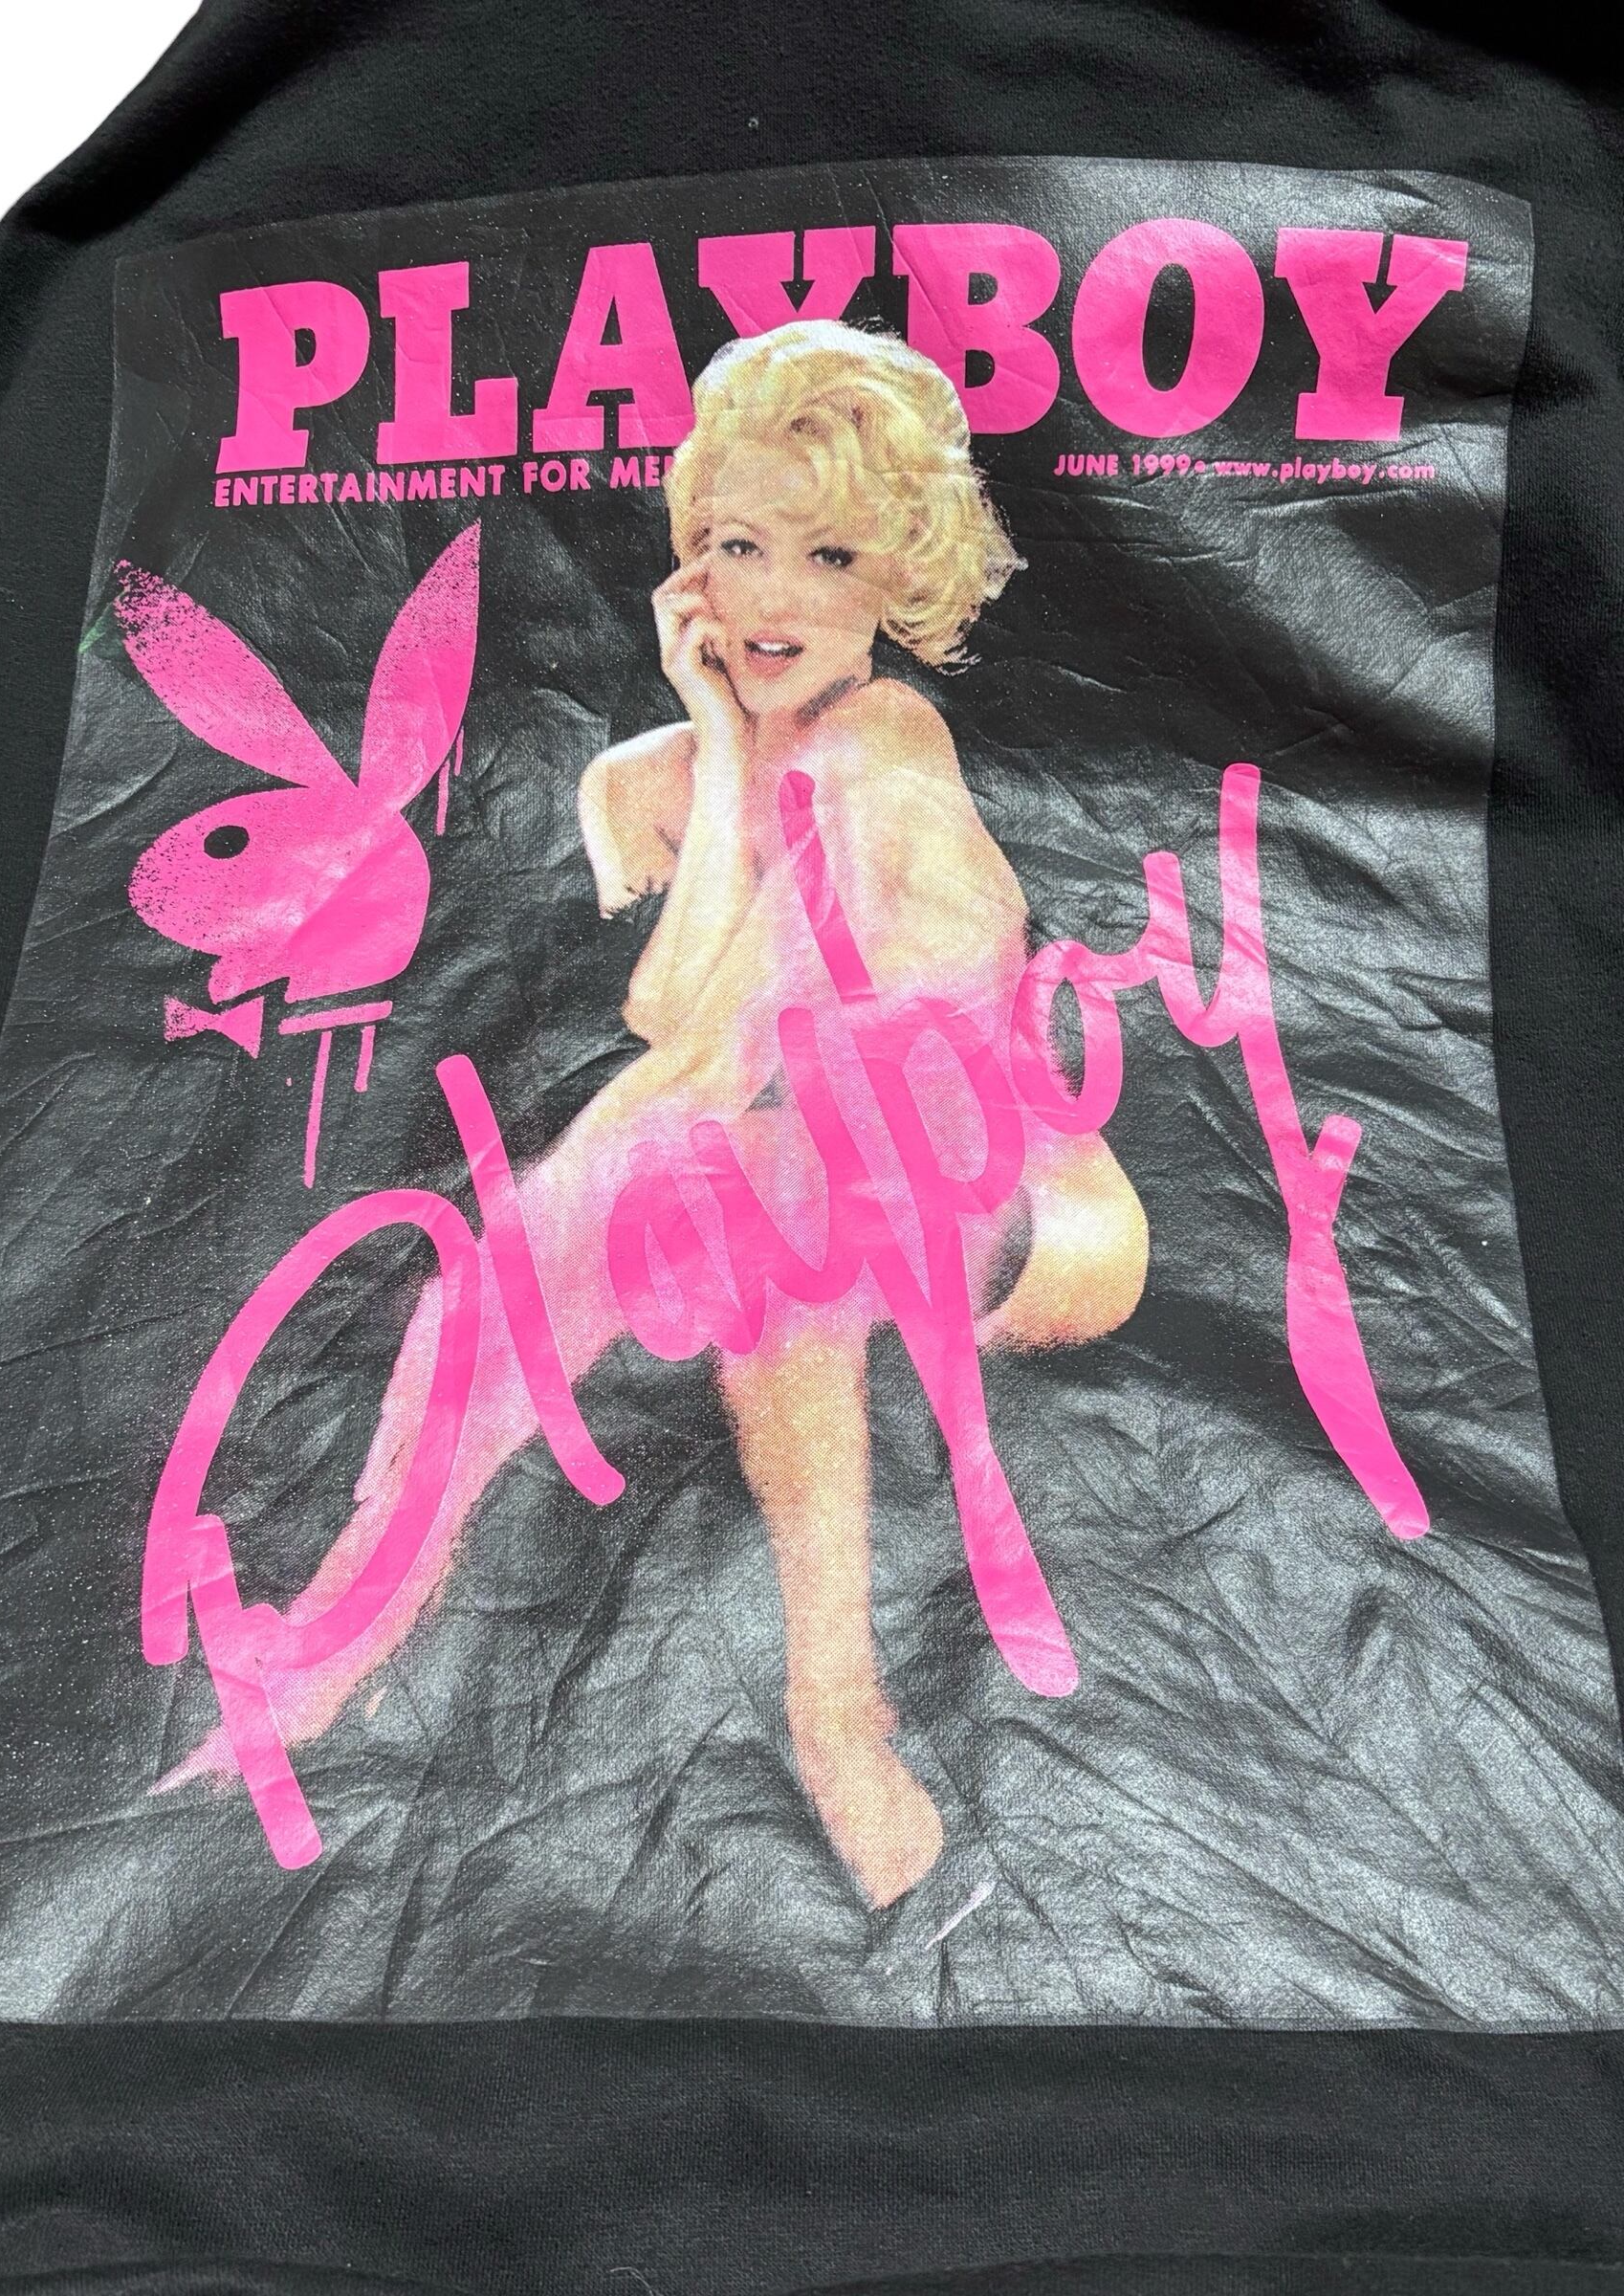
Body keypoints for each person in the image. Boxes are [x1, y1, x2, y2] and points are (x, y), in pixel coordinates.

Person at [162, 317, 1149, 1909]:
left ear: (896, 579)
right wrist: (711, 735)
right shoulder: (646, 781)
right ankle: (337, 1649)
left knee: (739, 1220)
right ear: (690, 561)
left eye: (828, 555)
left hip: (1000, 1190)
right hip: (785, 1151)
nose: (770, 597)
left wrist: (539, 1234)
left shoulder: (884, 738)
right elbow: (673, 1013)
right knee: (688, 1204)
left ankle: (838, 1728)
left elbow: (699, 1052)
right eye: (738, 545)